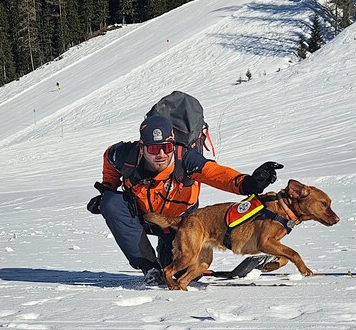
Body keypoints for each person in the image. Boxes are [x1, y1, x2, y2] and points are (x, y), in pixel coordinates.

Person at [87, 115, 282, 285]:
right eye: (154, 149)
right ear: (142, 147)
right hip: (142, 217)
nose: (161, 154)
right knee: (111, 203)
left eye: (166, 147)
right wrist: (108, 187)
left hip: (179, 223)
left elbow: (216, 174)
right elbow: (108, 157)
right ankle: (150, 269)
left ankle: (165, 255)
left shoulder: (186, 159)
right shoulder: (125, 154)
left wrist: (248, 184)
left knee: (184, 271)